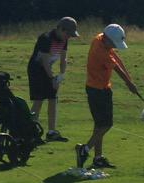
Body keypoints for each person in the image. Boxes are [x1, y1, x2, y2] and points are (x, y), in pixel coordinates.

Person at [75, 23, 138, 169]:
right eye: (114, 43)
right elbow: (116, 68)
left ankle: (98, 158)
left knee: (99, 125)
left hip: (101, 88)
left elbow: (116, 58)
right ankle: (84, 149)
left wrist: (130, 80)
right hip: (97, 91)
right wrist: (129, 84)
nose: (114, 46)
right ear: (107, 39)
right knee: (106, 125)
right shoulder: (100, 52)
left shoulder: (99, 39)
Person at [27, 17, 80, 141]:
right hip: (36, 70)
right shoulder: (45, 38)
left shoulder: (64, 39)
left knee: (52, 98)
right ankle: (30, 132)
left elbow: (63, 59)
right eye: (68, 34)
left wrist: (60, 76)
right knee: (39, 100)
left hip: (47, 70)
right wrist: (52, 79)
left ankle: (51, 132)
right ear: (61, 29)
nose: (69, 37)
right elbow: (44, 62)